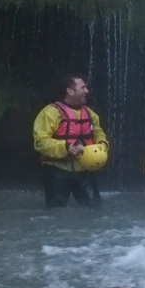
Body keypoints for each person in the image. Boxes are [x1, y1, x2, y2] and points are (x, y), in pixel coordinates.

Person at [33, 75, 110, 207]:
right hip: (57, 171)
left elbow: (98, 133)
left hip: (84, 171)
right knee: (55, 213)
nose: (87, 91)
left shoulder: (90, 114)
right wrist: (67, 147)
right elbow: (40, 142)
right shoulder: (50, 112)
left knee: (95, 211)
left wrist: (103, 144)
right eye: (83, 87)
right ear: (70, 91)